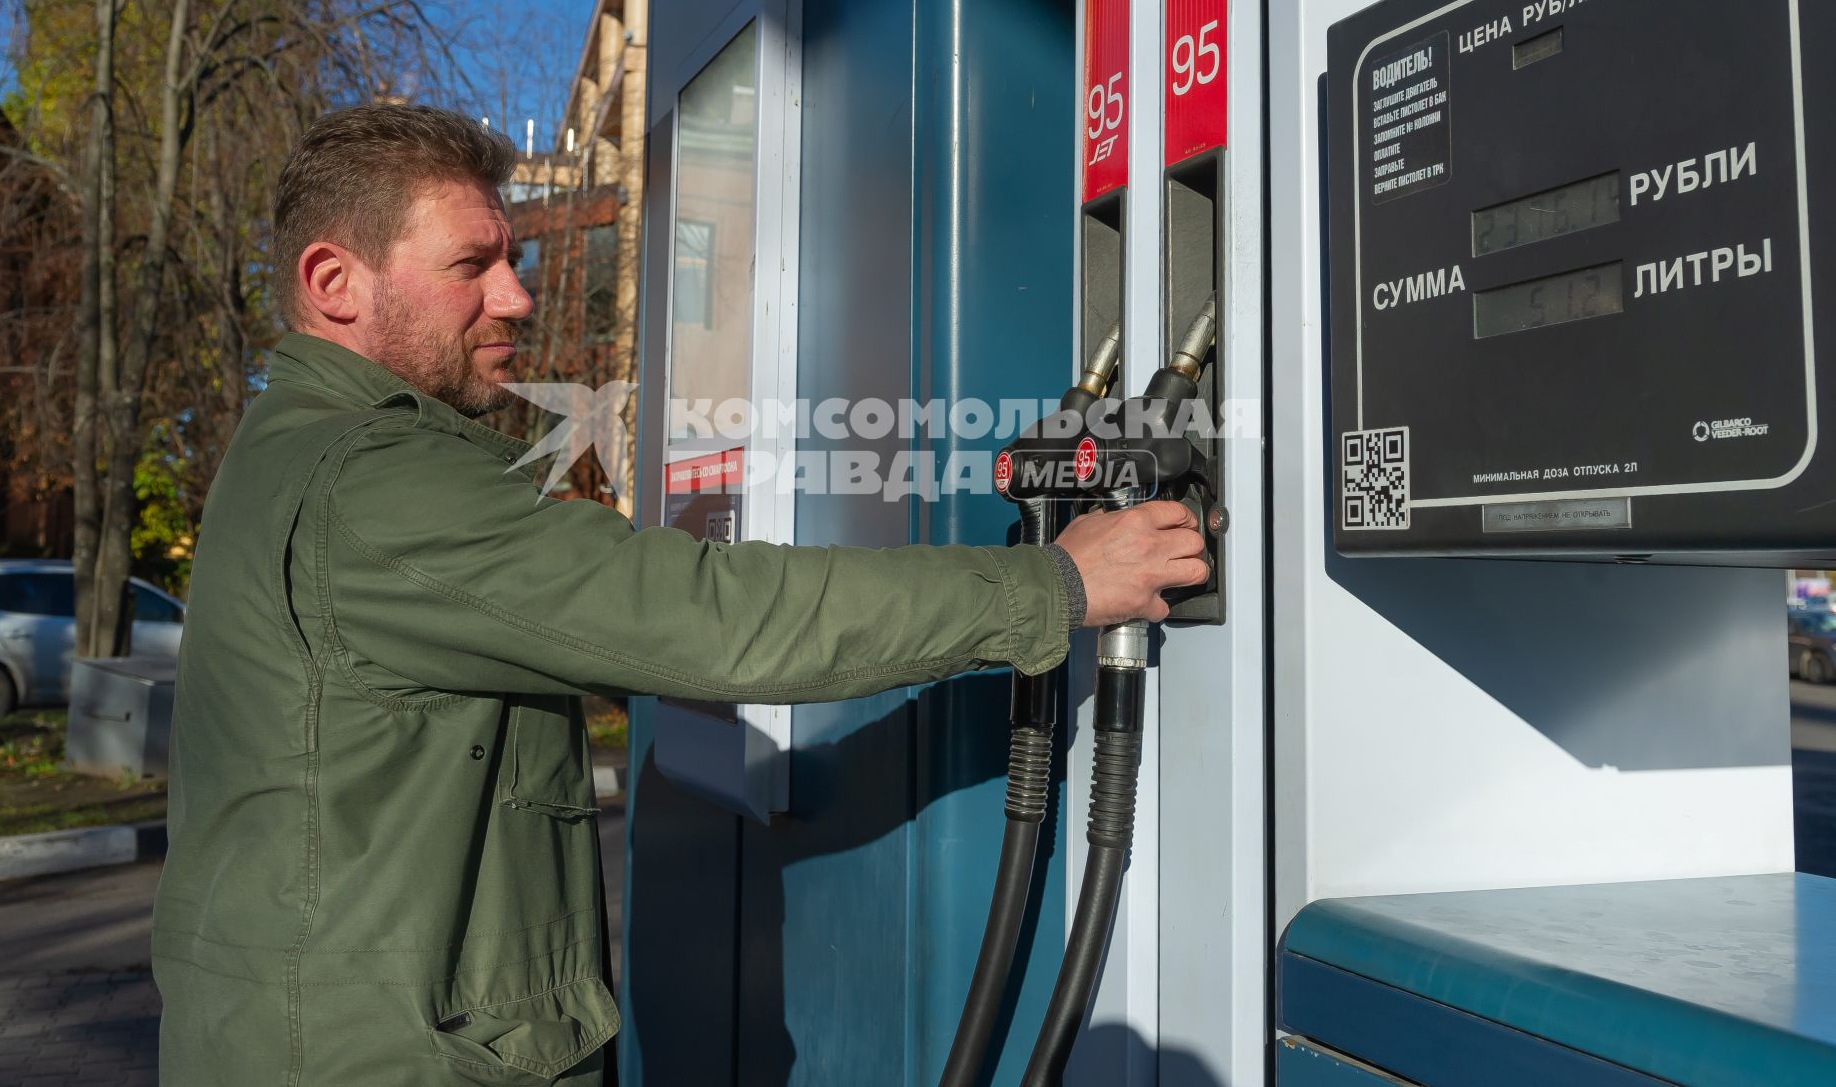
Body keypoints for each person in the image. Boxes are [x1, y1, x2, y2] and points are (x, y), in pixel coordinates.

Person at [152, 104, 1209, 1085]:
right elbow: (706, 615)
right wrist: (1057, 582)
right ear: (335, 283)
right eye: (471, 266)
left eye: (510, 261)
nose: (515, 296)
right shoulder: (373, 480)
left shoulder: (297, 448)